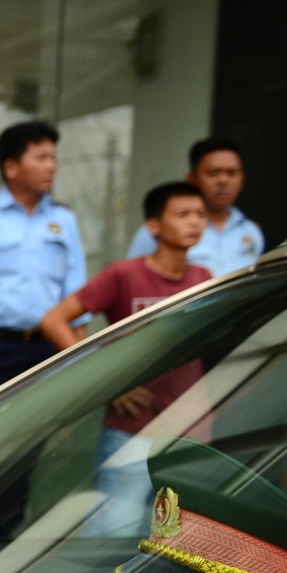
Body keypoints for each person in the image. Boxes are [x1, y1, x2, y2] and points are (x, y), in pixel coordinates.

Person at [41, 181, 214, 537]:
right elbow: (55, 321)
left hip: (190, 427)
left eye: (200, 214)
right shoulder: (124, 274)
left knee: (179, 540)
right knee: (111, 532)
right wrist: (106, 380)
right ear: (153, 225)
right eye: (182, 215)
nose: (194, 222)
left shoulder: (203, 279)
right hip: (132, 427)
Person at [0, 119, 87, 407]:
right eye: (41, 158)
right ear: (11, 167)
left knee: (36, 444)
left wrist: (78, 352)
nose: (51, 167)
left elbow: (76, 295)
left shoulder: (64, 218)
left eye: (54, 158)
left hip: (48, 349)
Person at [124, 138, 263, 277]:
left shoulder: (251, 231)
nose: (223, 181)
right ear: (192, 179)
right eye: (213, 173)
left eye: (231, 173)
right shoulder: (161, 229)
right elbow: (133, 280)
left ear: (242, 180)